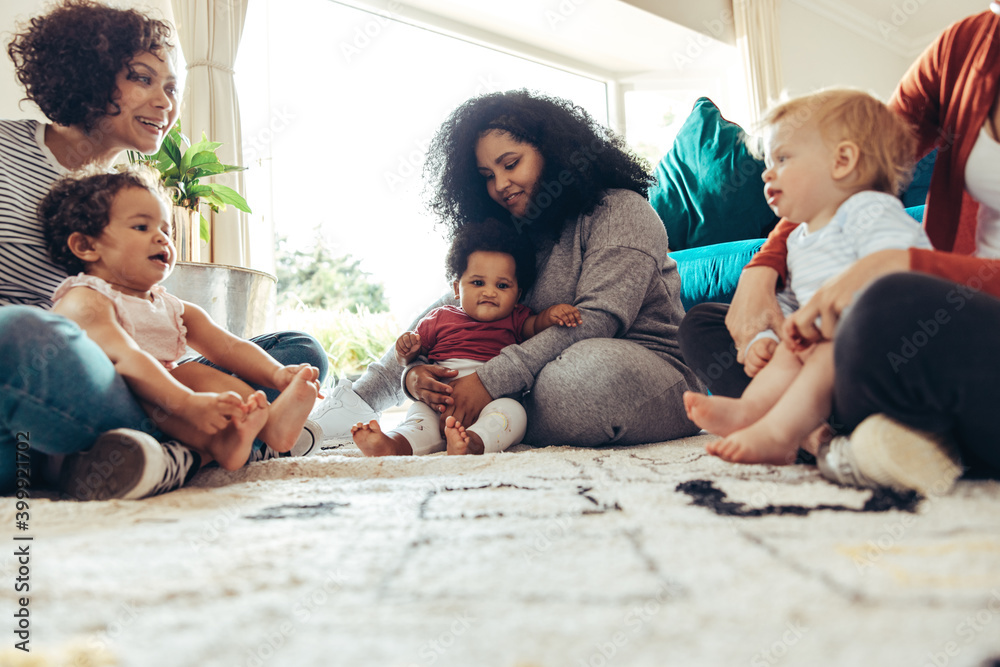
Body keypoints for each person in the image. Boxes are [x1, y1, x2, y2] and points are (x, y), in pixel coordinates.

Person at [0, 0, 328, 500]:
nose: (166, 102)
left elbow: (149, 320)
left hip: (130, 378)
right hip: (44, 367)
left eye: (171, 87)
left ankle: (176, 447)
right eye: (143, 78)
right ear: (86, 72)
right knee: (22, 332)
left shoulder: (132, 192)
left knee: (297, 352)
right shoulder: (6, 149)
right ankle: (208, 446)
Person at [678, 7, 1000, 495]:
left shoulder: (874, 220)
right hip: (902, 341)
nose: (770, 172)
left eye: (780, 160)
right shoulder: (966, 47)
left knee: (884, 306)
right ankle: (830, 435)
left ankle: (818, 431)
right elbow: (858, 153)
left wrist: (905, 264)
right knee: (706, 322)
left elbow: (867, 215)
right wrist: (762, 272)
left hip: (948, 313)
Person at [312, 89, 704, 448]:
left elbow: (598, 320)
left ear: (554, 151)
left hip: (646, 369)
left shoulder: (621, 210)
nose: (500, 184)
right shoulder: (514, 234)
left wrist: (486, 380)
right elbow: (452, 311)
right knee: (457, 310)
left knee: (580, 381)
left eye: (511, 163)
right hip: (531, 376)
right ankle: (360, 402)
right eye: (486, 176)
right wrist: (414, 376)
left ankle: (470, 417)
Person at [682, 89, 934, 466]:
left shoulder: (869, 209)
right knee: (788, 348)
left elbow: (904, 267)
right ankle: (753, 411)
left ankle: (779, 434)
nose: (767, 172)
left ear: (843, 160)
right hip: (835, 368)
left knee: (821, 349)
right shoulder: (800, 237)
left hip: (893, 357)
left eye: (783, 158)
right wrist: (764, 338)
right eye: (768, 160)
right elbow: (788, 304)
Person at [41, 168, 321, 472]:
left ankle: (259, 430)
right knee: (176, 378)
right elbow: (126, 358)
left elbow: (228, 347)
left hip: (162, 413)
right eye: (140, 226)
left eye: (166, 229)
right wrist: (187, 403)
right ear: (87, 246)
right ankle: (229, 444)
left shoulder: (172, 307)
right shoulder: (86, 297)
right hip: (102, 415)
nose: (161, 237)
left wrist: (278, 375)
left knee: (194, 374)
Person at [351, 219, 581, 456]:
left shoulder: (516, 318)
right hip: (438, 400)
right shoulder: (439, 317)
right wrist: (406, 351)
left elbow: (535, 326)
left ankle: (473, 442)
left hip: (492, 400)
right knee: (419, 420)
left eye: (502, 285)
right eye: (478, 282)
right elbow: (414, 357)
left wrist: (551, 315)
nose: (490, 292)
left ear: (517, 295)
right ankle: (394, 444)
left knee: (513, 413)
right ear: (457, 289)